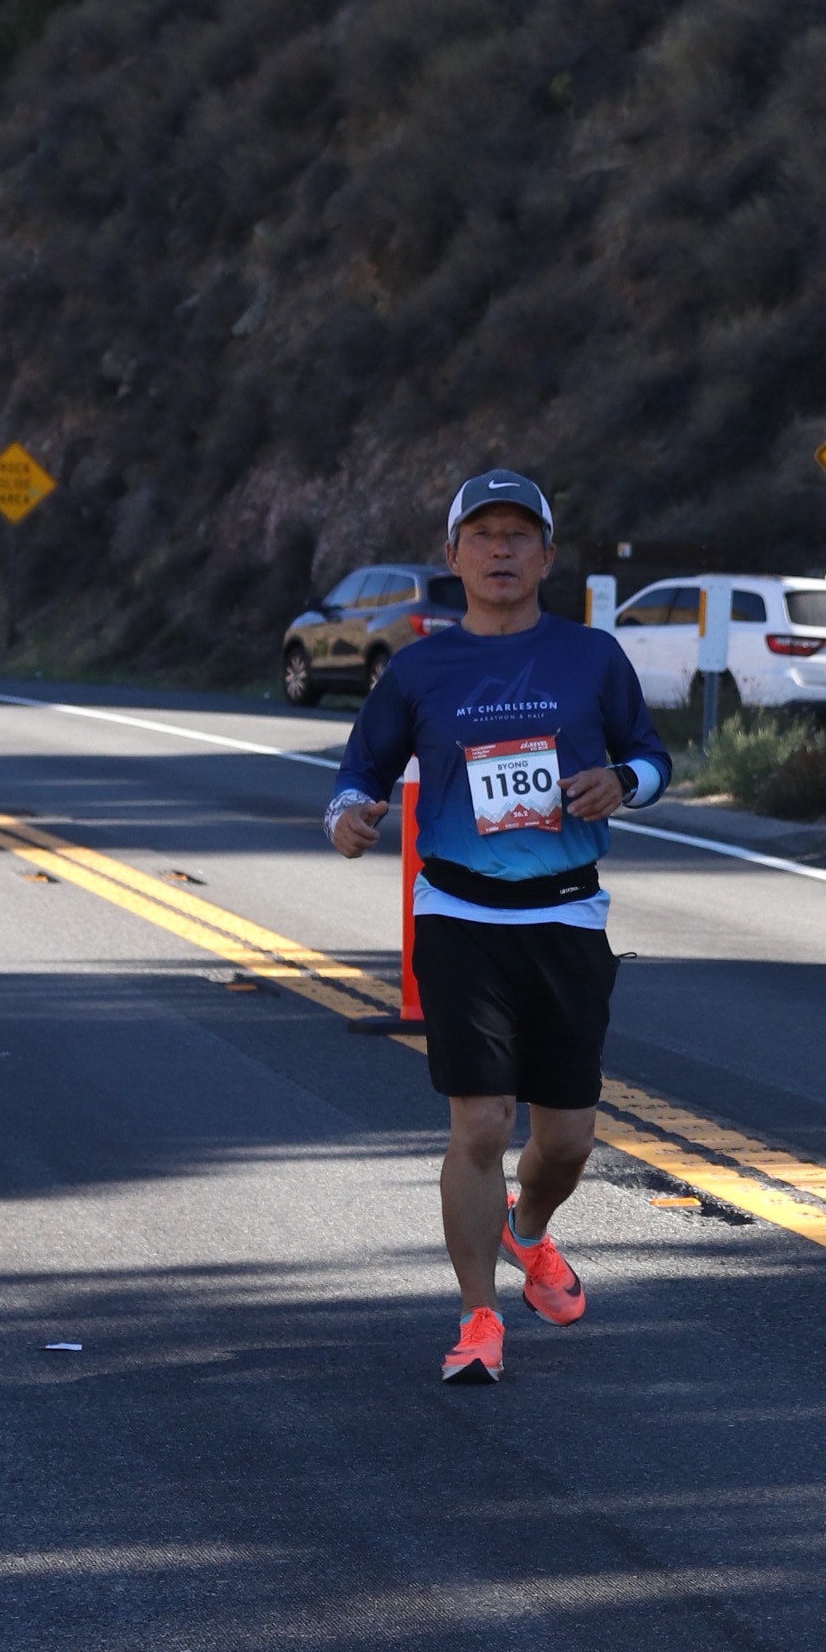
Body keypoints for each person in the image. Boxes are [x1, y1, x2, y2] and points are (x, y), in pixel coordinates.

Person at [324, 471, 671, 1384]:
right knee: (480, 1124)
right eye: (483, 535)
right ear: (453, 556)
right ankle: (478, 1317)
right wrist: (347, 818)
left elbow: (652, 756)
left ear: (547, 555)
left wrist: (624, 782)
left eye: (520, 534)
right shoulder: (419, 669)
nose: (501, 550)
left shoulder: (593, 657)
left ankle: (529, 1228)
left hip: (567, 915)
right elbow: (357, 774)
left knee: (568, 1139)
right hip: (459, 916)